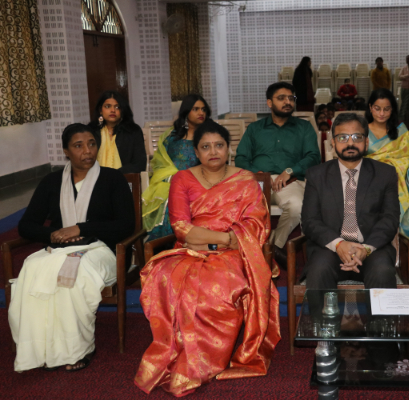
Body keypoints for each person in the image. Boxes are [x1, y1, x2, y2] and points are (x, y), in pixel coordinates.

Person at [134, 121, 280, 396]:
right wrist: (223, 238)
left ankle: (203, 362)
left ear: (229, 149)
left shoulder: (245, 180)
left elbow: (255, 224)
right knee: (166, 277)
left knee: (217, 287)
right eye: (205, 147)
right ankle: (181, 353)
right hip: (190, 251)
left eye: (219, 145)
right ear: (197, 152)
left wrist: (216, 241)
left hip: (234, 254)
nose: (213, 152)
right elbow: (181, 228)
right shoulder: (182, 179)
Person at [9, 123, 135, 372]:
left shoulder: (113, 179)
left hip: (103, 250)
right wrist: (55, 235)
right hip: (59, 250)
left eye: (92, 144)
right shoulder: (51, 182)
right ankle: (43, 350)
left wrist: (81, 228)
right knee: (31, 269)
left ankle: (79, 348)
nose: (87, 151)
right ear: (66, 151)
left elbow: (125, 225)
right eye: (78, 146)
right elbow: (26, 225)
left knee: (73, 274)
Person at [302, 113, 400, 289]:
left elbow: (390, 219)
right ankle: (324, 310)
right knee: (319, 269)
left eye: (357, 137)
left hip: (372, 248)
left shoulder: (385, 174)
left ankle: (379, 311)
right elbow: (310, 221)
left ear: (366, 142)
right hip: (330, 248)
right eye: (342, 138)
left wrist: (366, 249)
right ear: (333, 143)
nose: (350, 143)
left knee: (382, 271)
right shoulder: (316, 175)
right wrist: (339, 244)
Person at [235, 82, 320, 265]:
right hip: (258, 181)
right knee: (238, 208)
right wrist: (259, 175)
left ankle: (273, 247)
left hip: (289, 182)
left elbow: (313, 157)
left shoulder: (304, 127)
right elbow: (241, 158)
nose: (287, 102)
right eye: (281, 98)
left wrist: (290, 171)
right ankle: (244, 251)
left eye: (291, 98)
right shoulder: (255, 129)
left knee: (297, 206)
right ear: (269, 103)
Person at [142, 95, 210, 241]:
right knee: (170, 198)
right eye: (196, 109)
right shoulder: (172, 138)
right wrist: (173, 178)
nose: (201, 113)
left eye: (203, 109)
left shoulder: (208, 137)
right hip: (171, 181)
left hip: (199, 182)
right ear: (186, 112)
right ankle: (165, 244)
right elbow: (160, 163)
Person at [365, 89, 409, 242]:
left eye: (387, 109)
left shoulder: (400, 132)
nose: (382, 113)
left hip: (395, 176)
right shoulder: (361, 130)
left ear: (392, 110)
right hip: (368, 177)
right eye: (377, 108)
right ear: (370, 107)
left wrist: (391, 165)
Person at [90, 90, 146, 173]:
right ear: (100, 110)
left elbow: (139, 164)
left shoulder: (133, 131)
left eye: (117, 107)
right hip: (95, 177)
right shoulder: (91, 130)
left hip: (124, 177)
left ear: (123, 110)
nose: (113, 110)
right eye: (108, 106)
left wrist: (115, 175)